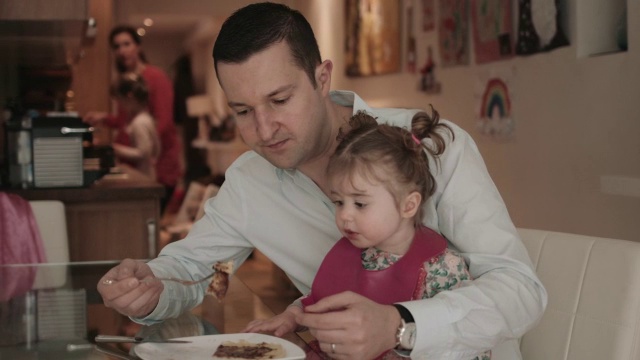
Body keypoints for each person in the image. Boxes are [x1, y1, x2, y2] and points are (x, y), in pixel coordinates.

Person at [97, 3, 546, 359]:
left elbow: (519, 291)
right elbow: (195, 272)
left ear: (322, 77)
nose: (264, 129)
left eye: (279, 99)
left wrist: (399, 325)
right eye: (242, 112)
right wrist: (150, 286)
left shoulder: (430, 145)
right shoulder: (249, 182)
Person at [243, 110, 491, 360]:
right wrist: (295, 316)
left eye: (360, 204)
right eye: (339, 202)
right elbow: (322, 298)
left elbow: (469, 342)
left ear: (408, 205)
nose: (345, 216)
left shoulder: (441, 269)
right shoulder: (354, 254)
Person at [84, 25, 182, 211]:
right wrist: (104, 118)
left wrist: (138, 148)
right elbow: (124, 122)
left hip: (157, 168)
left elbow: (164, 122)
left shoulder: (155, 77)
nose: (121, 50)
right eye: (116, 46)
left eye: (126, 44)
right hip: (137, 166)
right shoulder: (126, 81)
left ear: (138, 47)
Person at [109, 75, 160, 180]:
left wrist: (117, 149)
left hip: (141, 177)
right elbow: (157, 147)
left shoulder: (139, 123)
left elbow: (143, 153)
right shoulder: (145, 118)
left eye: (120, 100)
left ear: (129, 97)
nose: (120, 105)